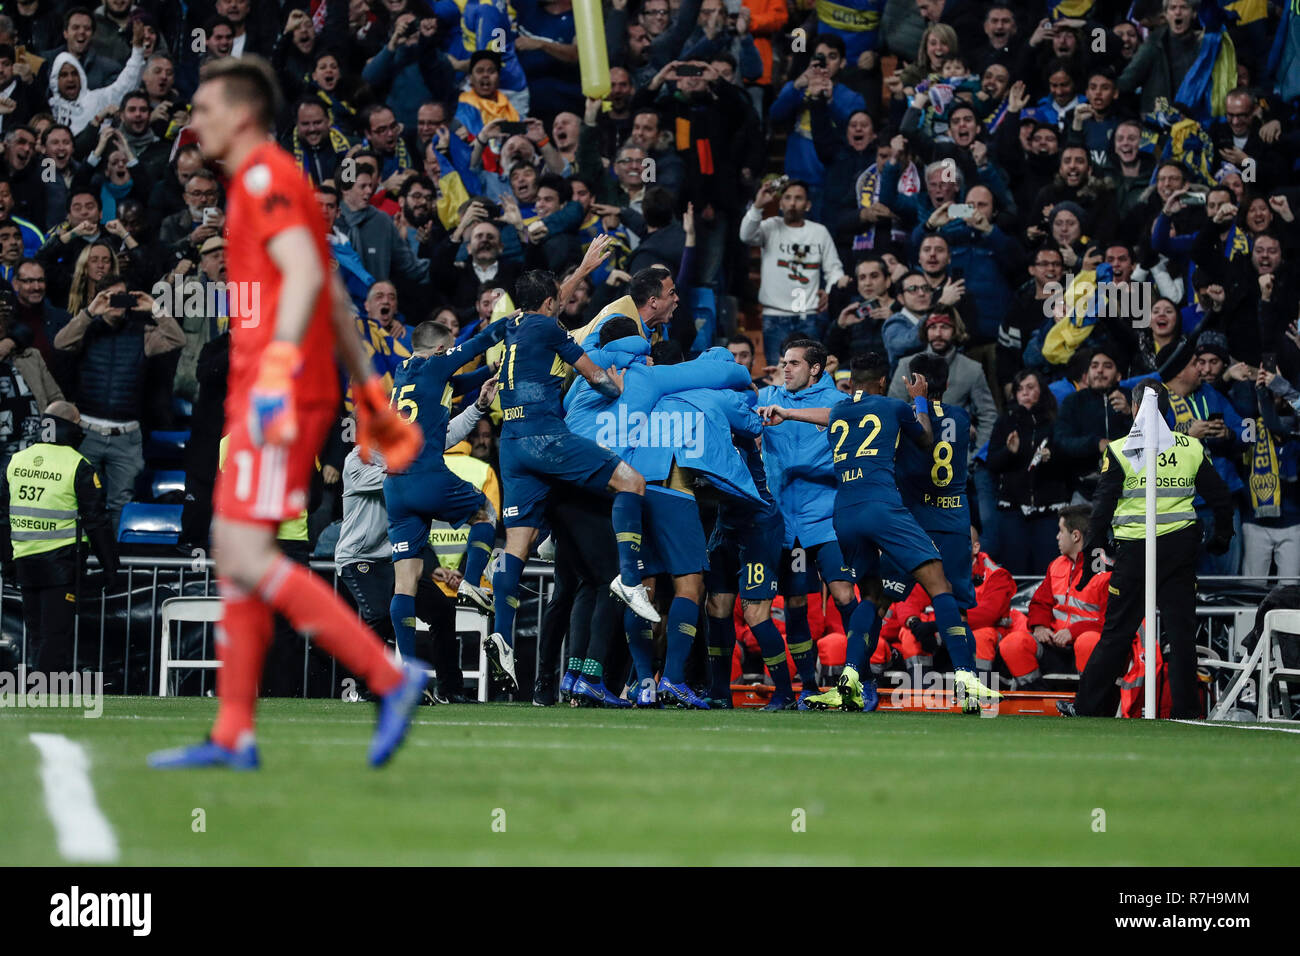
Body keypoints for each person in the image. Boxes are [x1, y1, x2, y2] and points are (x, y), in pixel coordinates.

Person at [147, 56, 425, 771]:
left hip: (275, 396)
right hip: (283, 393)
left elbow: (305, 275)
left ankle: (391, 678)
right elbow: (331, 295)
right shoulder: (270, 182)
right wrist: (368, 397)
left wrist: (273, 375)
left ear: (240, 115)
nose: (194, 121)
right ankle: (235, 731)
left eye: (204, 108)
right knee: (240, 560)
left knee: (241, 553)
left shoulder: (265, 177)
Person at [759, 351, 1001, 713]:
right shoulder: (899, 408)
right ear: (884, 382)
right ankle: (967, 679)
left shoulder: (842, 409)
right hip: (893, 512)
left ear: (850, 378)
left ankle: (849, 679)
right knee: (939, 586)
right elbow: (925, 437)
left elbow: (827, 416)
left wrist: (789, 412)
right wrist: (918, 398)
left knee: (871, 598)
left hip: (844, 513)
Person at [488, 237, 659, 694]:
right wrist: (616, 386)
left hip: (513, 446)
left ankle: (506, 638)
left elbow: (545, 305)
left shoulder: (512, 327)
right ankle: (630, 582)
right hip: (554, 449)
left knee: (526, 557)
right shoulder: (556, 333)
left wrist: (582, 268)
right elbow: (596, 376)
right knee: (630, 484)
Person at [1060, 380, 1235, 719]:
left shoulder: (1121, 449)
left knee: (1117, 633)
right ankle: (1187, 714)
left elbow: (1102, 510)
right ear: (1166, 409)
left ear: (1137, 408)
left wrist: (1091, 555)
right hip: (1180, 552)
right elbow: (1221, 500)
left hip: (1136, 554)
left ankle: (1088, 708)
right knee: (1181, 636)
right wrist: (1220, 539)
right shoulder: (1190, 448)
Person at [384, 319, 504, 661]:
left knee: (405, 581)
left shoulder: (404, 371)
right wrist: (511, 322)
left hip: (395, 484)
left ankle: (406, 669)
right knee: (485, 514)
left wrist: (486, 374)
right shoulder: (437, 363)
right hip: (426, 475)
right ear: (441, 349)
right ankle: (470, 582)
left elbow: (459, 381)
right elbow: (480, 340)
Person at [0, 401, 118, 673]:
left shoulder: (17, 461)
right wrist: (111, 567)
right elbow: (97, 521)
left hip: (25, 562)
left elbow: (3, 519)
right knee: (55, 635)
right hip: (60, 564)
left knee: (38, 635)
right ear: (71, 428)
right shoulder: (78, 466)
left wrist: (7, 563)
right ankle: (45, 698)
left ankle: (36, 699)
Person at [991, 504, 1107, 689]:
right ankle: (1036, 698)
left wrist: (1073, 632)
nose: (1057, 537)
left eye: (1061, 531)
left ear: (1076, 535)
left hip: (1087, 647)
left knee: (1088, 642)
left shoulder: (1105, 570)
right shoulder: (1056, 565)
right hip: (1054, 645)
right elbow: (1039, 603)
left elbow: (1111, 621)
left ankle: (1089, 702)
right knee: (1012, 644)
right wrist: (1039, 626)